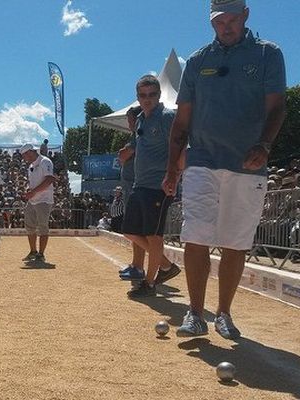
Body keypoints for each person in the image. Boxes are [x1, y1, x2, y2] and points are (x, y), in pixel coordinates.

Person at [162, 0, 286, 338]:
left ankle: (224, 313)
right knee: (195, 235)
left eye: (232, 20)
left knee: (236, 242)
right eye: (219, 22)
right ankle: (194, 313)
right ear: (211, 22)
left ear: (246, 15)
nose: (226, 27)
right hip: (202, 160)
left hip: (248, 164)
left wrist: (264, 145)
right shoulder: (199, 60)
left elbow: (277, 108)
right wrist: (173, 170)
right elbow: (182, 119)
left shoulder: (267, 54)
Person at [121, 74, 180, 297]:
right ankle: (166, 266)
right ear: (138, 97)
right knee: (129, 231)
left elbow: (180, 147)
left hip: (159, 186)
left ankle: (150, 283)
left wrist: (173, 176)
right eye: (143, 95)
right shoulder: (141, 120)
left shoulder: (167, 117)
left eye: (152, 95)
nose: (147, 99)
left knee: (154, 236)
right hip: (140, 184)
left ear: (159, 95)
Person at [118, 106, 147, 280]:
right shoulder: (135, 135)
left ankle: (140, 266)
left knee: (136, 229)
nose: (128, 123)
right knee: (135, 228)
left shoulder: (139, 135)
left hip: (136, 185)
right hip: (132, 185)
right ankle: (136, 264)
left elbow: (122, 155)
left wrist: (123, 153)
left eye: (130, 120)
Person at [20, 143, 55, 262]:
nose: (24, 158)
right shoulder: (31, 165)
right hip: (33, 199)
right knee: (29, 226)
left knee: (42, 227)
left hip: (44, 199)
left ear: (29, 152)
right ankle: (33, 251)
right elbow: (34, 183)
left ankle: (41, 254)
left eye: (24, 156)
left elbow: (50, 179)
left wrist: (33, 192)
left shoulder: (45, 161)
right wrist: (29, 191)